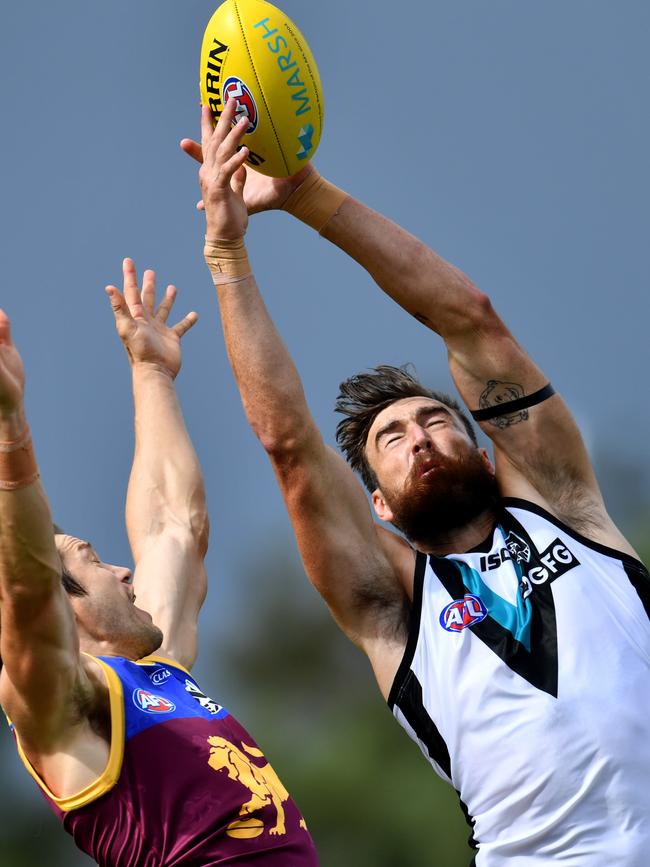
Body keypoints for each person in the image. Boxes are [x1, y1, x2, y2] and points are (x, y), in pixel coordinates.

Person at [182, 100, 650, 865]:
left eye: (436, 420)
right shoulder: (393, 605)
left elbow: (471, 320)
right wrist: (227, 252)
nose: (419, 437)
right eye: (389, 440)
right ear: (378, 502)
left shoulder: (568, 509)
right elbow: (289, 445)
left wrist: (309, 196)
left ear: (483, 440)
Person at [0, 260, 318, 866]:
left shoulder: (156, 673)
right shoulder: (55, 704)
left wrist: (151, 373)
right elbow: (25, 591)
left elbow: (176, 525)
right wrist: (10, 429)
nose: (123, 571)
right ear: (61, 603)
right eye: (92, 562)